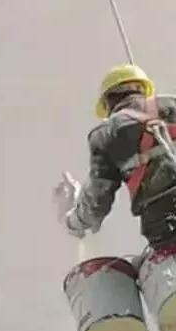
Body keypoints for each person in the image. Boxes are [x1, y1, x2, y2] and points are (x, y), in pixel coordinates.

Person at [56, 64, 176, 247]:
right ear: (144, 89)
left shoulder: (106, 133)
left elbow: (97, 202)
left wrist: (73, 222)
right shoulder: (172, 103)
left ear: (107, 104)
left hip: (166, 223)